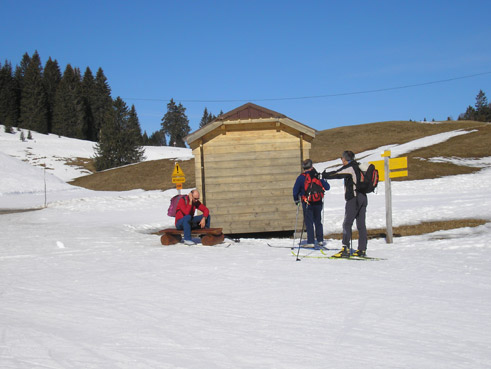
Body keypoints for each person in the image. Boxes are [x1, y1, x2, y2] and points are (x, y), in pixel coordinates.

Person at [322, 150, 367, 257]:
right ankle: (362, 249)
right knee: (361, 225)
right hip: (363, 197)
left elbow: (338, 173)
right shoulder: (358, 166)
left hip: (353, 198)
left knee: (347, 223)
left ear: (345, 159)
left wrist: (324, 175)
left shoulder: (350, 167)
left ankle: (345, 249)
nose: (341, 160)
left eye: (342, 158)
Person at [293, 159, 330, 248]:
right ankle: (320, 240)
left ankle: (311, 241)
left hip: (307, 202)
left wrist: (296, 200)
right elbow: (327, 187)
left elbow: (295, 191)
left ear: (303, 167)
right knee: (318, 221)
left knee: (309, 222)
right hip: (318, 201)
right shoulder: (317, 176)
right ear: (311, 166)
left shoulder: (301, 177)